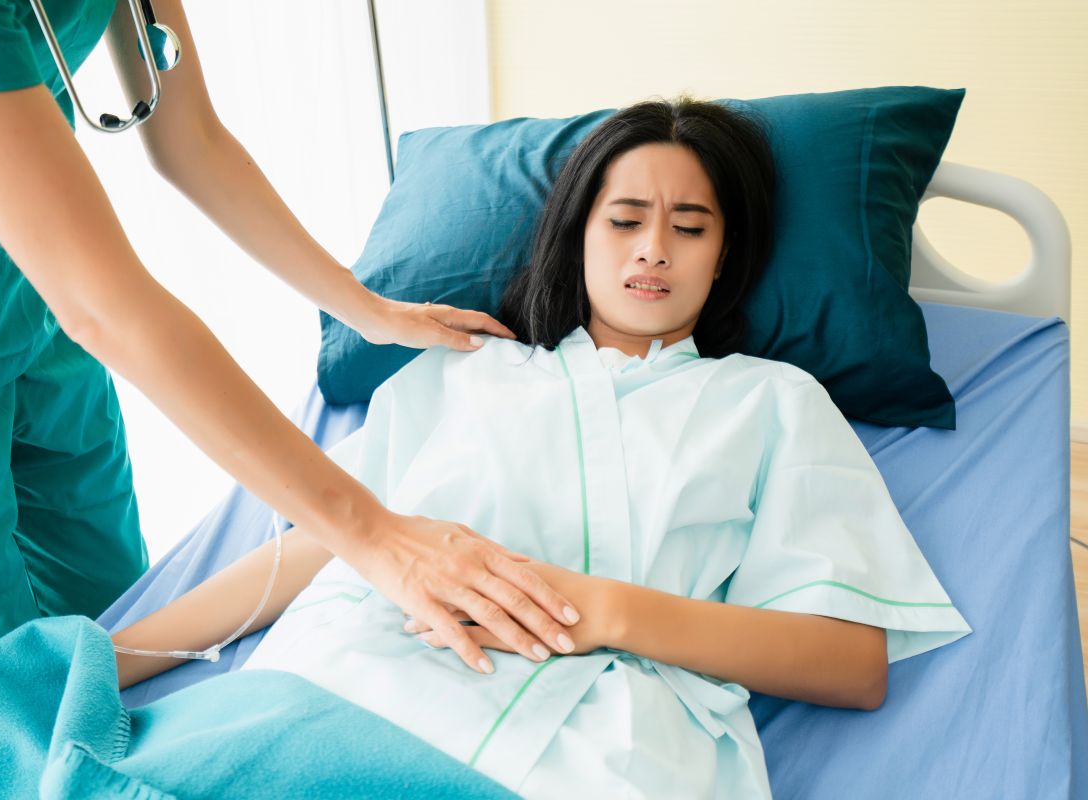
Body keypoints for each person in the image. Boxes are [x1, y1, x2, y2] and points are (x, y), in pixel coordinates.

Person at [110, 96, 973, 797]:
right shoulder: (467, 370)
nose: (652, 249)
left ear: (725, 258)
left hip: (602, 738)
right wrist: (116, 657)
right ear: (579, 235)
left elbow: (850, 662)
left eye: (692, 227)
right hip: (365, 673)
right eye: (624, 219)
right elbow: (327, 540)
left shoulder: (769, 400)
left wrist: (598, 609)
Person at [0, 0, 579, 731]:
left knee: (119, 639)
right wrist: (374, 535)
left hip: (31, 314)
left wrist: (365, 307)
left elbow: (193, 143)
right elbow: (107, 307)